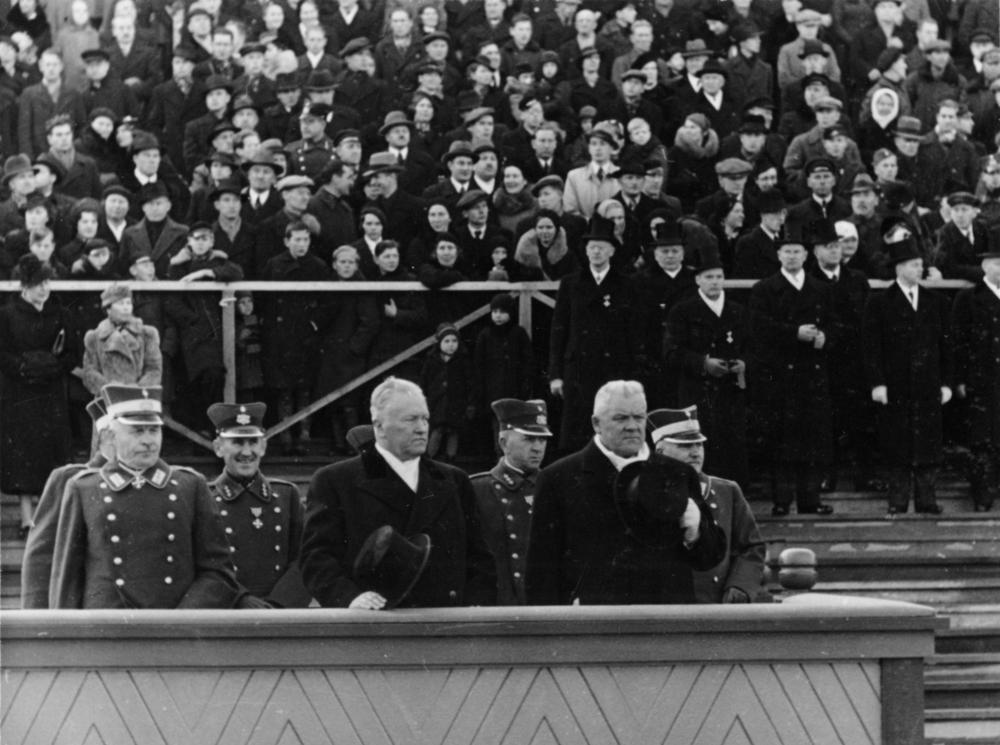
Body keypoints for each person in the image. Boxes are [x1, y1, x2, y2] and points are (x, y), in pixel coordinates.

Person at [300, 377, 496, 608]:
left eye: (425, 418)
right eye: (410, 419)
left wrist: (474, 609)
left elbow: (480, 559)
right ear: (379, 426)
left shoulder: (454, 480)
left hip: (445, 620)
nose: (422, 428)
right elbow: (317, 558)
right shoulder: (335, 481)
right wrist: (350, 598)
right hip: (375, 619)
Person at [526, 379, 725, 605]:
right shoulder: (558, 478)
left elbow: (709, 558)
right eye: (620, 418)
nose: (632, 426)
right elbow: (540, 573)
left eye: (638, 417)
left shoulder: (677, 473)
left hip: (665, 618)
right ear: (596, 423)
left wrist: (696, 533)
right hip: (595, 620)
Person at [49, 384, 239, 609]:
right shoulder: (84, 488)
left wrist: (183, 617)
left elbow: (218, 573)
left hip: (174, 623)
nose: (149, 440)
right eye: (137, 431)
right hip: (107, 624)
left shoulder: (190, 486)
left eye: (154, 430)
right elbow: (67, 581)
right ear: (111, 436)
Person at [862, 236, 953, 515]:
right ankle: (898, 501)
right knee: (897, 444)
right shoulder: (879, 301)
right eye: (914, 265)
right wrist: (877, 383)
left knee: (928, 444)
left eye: (920, 264)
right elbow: (871, 346)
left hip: (927, 384)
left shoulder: (935, 300)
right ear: (899, 268)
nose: (919, 269)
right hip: (895, 384)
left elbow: (946, 346)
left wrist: (946, 383)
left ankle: (927, 500)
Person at [749, 237, 836, 516]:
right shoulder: (764, 289)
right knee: (782, 440)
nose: (792, 256)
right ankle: (782, 500)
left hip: (812, 373)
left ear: (806, 254)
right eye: (786, 251)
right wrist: (793, 333)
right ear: (778, 255)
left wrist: (825, 337)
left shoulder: (821, 288)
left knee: (812, 438)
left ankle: (811, 499)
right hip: (780, 374)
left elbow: (836, 323)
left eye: (797, 251)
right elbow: (759, 327)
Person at [648, 406, 764, 604]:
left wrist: (740, 586)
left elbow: (752, 547)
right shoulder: (646, 492)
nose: (695, 453)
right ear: (660, 451)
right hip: (667, 608)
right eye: (685, 446)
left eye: (699, 444)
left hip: (718, 605)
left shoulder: (726, 491)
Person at [549, 222, 644, 451]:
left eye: (601, 247)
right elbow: (559, 330)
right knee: (576, 429)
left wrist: (634, 375)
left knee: (613, 425)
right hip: (578, 369)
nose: (596, 252)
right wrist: (555, 375)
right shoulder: (571, 283)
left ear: (611, 251)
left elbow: (634, 333)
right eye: (592, 247)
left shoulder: (626, 284)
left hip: (614, 368)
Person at [207, 402, 312, 608]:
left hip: (280, 612)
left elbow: (306, 558)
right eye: (237, 442)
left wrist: (279, 604)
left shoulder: (286, 495)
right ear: (218, 448)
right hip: (227, 611)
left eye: (253, 442)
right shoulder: (205, 498)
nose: (247, 452)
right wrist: (240, 601)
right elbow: (203, 566)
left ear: (263, 447)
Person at [0, 254, 73, 537]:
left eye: (47, 282)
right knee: (24, 453)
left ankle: (50, 518)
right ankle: (27, 519)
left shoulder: (60, 313)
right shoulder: (7, 314)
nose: (44, 288)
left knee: (51, 451)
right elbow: (2, 352)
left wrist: (53, 366)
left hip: (51, 391)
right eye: (38, 283)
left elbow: (72, 353)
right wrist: (23, 367)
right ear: (25, 285)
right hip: (19, 392)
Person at [664, 255, 750, 486]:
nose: (714, 282)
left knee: (731, 447)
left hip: (730, 392)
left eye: (719, 277)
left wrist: (743, 363)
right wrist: (703, 363)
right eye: (709, 277)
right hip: (697, 392)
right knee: (701, 446)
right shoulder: (682, 311)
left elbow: (752, 347)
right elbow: (671, 352)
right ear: (698, 280)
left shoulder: (737, 310)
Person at [21, 397, 112, 608]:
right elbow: (41, 560)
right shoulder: (70, 479)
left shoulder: (170, 484)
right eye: (136, 430)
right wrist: (37, 619)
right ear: (107, 435)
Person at [471, 398, 552, 605]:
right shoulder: (477, 489)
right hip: (496, 606)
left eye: (542, 440)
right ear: (503, 443)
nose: (538, 448)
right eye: (529, 439)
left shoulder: (554, 487)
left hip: (545, 605)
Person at [951, 249, 1000, 511]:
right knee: (982, 438)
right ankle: (983, 492)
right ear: (985, 266)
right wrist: (959, 378)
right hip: (981, 378)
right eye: (998, 264)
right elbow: (958, 341)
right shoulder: (968, 297)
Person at [81, 283, 162, 396]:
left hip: (139, 398)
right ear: (108, 309)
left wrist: (137, 390)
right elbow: (89, 373)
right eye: (120, 303)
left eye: (128, 303)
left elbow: (154, 369)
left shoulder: (147, 334)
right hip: (108, 399)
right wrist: (111, 390)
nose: (126, 307)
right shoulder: (94, 337)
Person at [421, 323, 474, 462]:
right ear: (439, 343)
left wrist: (469, 403)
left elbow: (469, 382)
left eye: (454, 341)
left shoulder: (462, 360)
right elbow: (425, 381)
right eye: (447, 341)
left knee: (453, 431)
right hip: (437, 403)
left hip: (456, 403)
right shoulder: (432, 360)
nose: (451, 345)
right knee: (437, 430)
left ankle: (451, 459)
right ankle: (429, 459)